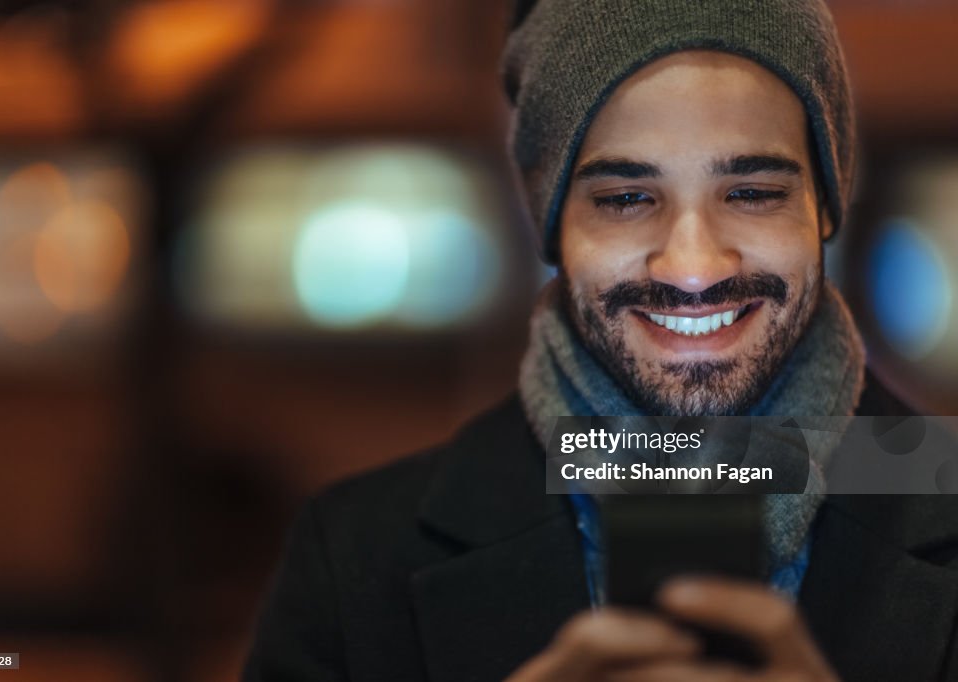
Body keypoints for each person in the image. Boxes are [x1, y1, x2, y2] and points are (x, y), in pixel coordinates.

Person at [243, 1, 958, 680]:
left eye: (752, 193)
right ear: (552, 227)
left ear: (823, 207)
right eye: (624, 200)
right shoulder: (354, 556)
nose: (692, 268)